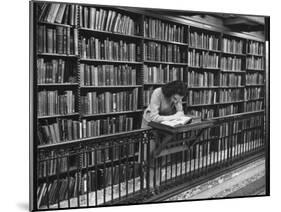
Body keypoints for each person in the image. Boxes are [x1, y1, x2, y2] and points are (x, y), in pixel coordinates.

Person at [140, 80, 187, 187]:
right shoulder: (158, 93)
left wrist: (178, 114)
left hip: (164, 126)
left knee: (160, 155)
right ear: (170, 92)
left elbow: (181, 113)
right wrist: (175, 117)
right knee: (150, 156)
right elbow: (154, 117)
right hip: (150, 126)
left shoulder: (177, 97)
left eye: (179, 100)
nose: (176, 102)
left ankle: (157, 185)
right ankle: (149, 186)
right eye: (175, 99)